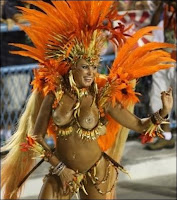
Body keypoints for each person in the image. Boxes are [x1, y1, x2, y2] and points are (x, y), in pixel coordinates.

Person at [1, 1, 175, 199]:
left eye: (94, 67)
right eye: (85, 67)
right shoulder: (54, 95)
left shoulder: (102, 97)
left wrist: (163, 111)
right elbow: (36, 137)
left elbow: (139, 125)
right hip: (61, 171)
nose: (91, 73)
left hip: (96, 172)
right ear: (72, 66)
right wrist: (59, 168)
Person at [146, 0, 176, 150]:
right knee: (158, 98)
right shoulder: (164, 6)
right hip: (163, 57)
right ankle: (167, 137)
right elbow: (151, 26)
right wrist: (160, 6)